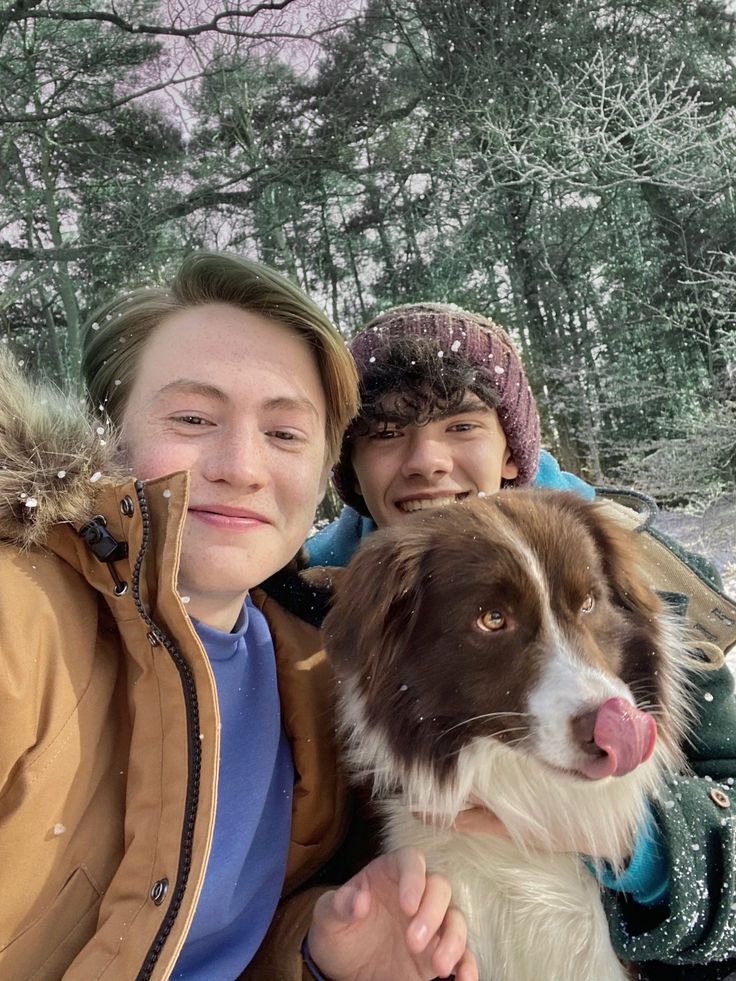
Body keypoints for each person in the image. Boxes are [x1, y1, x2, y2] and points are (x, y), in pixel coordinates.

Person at [0, 257, 479, 981]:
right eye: (193, 419)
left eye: (286, 434)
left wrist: (312, 950)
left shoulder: (317, 672)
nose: (242, 466)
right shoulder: (22, 621)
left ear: (324, 476)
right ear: (105, 434)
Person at [306, 302, 736, 979]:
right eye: (387, 433)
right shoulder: (286, 617)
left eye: (462, 425)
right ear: (351, 467)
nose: (427, 461)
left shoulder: (638, 571)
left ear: (511, 448)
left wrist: (640, 845)